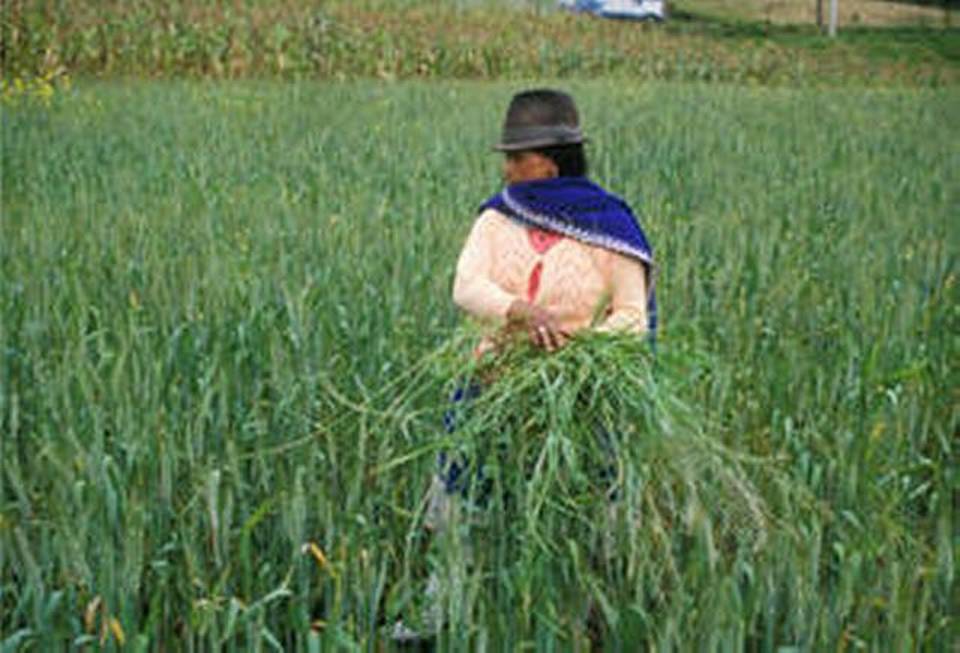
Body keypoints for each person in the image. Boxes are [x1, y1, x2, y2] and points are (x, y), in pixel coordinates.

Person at [391, 88, 656, 644]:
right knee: (465, 509)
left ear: (551, 161)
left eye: (518, 157)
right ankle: (444, 616)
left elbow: (633, 316)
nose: (508, 168)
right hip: (491, 386)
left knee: (572, 514)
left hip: (577, 400)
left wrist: (576, 348)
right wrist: (519, 310)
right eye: (507, 158)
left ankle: (573, 621)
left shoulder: (610, 225)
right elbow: (466, 287)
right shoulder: (497, 217)